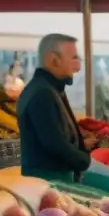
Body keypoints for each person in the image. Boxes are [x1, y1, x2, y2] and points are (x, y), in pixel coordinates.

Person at [17, 34, 90, 181]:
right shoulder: (42, 93)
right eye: (73, 58)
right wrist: (87, 161)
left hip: (52, 178)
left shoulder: (49, 88)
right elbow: (54, 143)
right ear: (53, 59)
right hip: (47, 180)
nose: (78, 66)